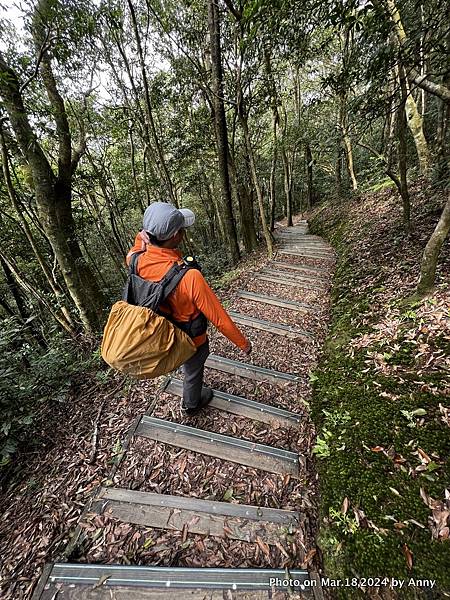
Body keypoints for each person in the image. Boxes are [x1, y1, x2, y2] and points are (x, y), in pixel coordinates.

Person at [127, 202, 252, 415]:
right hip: (191, 339)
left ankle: (190, 393)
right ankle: (191, 404)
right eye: (182, 229)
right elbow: (218, 317)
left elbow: (135, 249)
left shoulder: (135, 259)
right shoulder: (190, 277)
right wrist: (243, 344)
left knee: (186, 365)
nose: (184, 233)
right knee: (193, 370)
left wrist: (142, 237)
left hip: (163, 334)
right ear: (175, 235)